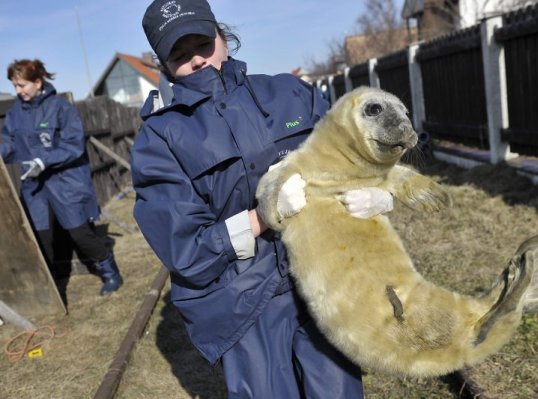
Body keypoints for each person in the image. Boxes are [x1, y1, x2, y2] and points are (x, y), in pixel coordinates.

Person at [133, 1, 393, 397]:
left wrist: (377, 189)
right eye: (181, 56)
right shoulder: (159, 139)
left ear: (223, 37)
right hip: (239, 301)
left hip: (320, 278)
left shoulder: (290, 93)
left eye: (203, 44)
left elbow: (350, 155)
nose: (198, 60)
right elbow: (183, 249)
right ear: (165, 66)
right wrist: (260, 219)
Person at [0, 59, 123, 296]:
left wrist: (43, 160)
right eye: (15, 86)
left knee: (79, 232)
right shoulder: (16, 114)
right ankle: (51, 285)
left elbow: (74, 145)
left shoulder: (60, 108)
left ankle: (110, 272)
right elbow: (11, 144)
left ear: (38, 82)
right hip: (34, 185)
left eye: (22, 85)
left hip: (65, 181)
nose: (18, 91)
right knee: (40, 236)